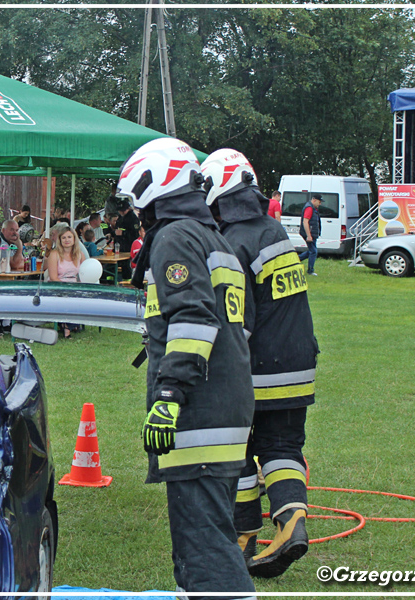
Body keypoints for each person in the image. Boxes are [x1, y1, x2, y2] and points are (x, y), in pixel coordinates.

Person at [119, 138, 256, 599]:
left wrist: (167, 396)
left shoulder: (176, 237)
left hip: (198, 412)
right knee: (208, 537)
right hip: (226, 405)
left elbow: (194, 319)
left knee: (206, 550)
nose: (135, 211)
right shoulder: (213, 237)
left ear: (152, 186)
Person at [201, 148, 317, 580]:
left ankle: (243, 534)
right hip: (299, 359)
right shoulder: (272, 229)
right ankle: (290, 523)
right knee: (283, 448)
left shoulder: (232, 239)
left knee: (239, 450)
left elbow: (238, 319)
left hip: (258, 365)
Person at [298, 194, 322, 276]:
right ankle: (310, 270)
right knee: (313, 251)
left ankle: (296, 260)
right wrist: (308, 235)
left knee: (312, 251)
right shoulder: (309, 208)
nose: (320, 204)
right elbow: (305, 221)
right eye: (319, 202)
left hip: (312, 233)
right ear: (314, 200)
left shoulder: (313, 208)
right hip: (309, 234)